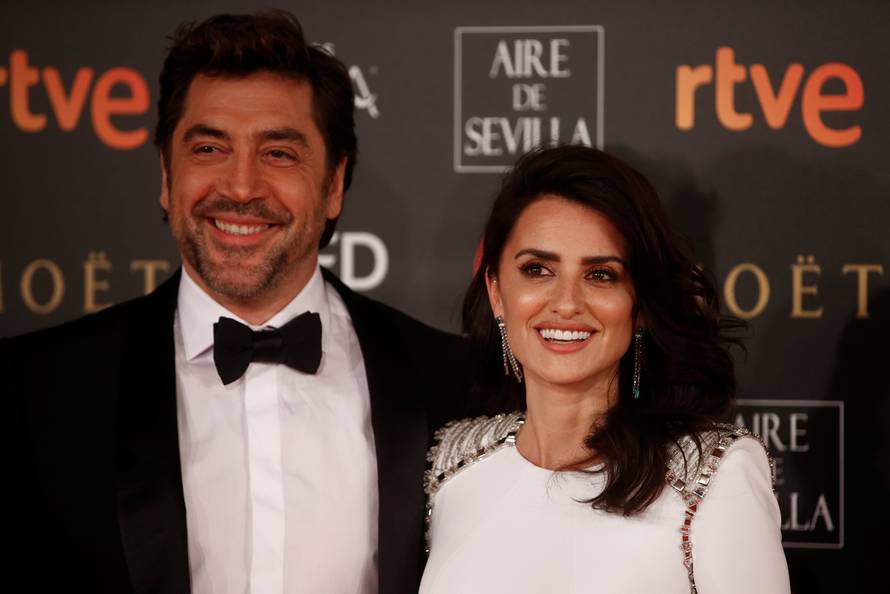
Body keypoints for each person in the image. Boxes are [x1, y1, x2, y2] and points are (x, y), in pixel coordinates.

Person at [3, 11, 466, 594]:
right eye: (208, 148)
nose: (241, 187)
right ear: (166, 177)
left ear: (333, 185)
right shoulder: (39, 392)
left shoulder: (454, 385)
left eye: (279, 153)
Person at [420, 145, 791, 594]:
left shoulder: (712, 475)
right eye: (537, 269)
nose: (567, 303)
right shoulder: (452, 465)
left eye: (601, 274)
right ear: (497, 293)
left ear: (640, 306)